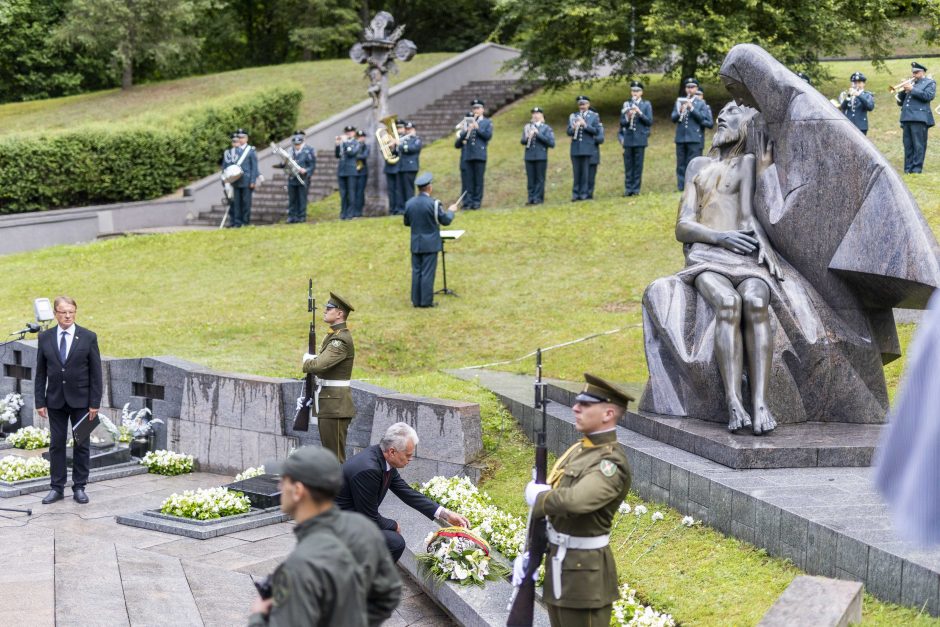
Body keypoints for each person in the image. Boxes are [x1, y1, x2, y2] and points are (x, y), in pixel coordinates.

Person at [520, 374, 632, 627]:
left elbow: (577, 501)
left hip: (585, 577)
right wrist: (531, 553)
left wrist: (541, 497)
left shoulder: (609, 462)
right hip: (559, 563)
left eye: (586, 404)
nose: (576, 408)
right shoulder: (581, 450)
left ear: (608, 414)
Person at [249, 447, 368, 626]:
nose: (280, 487)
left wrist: (258, 614)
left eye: (283, 481)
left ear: (297, 490)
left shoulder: (304, 562)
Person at [335, 422, 470, 562]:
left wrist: (446, 514)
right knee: (394, 542)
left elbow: (407, 493)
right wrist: (394, 525)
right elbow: (369, 518)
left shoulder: (381, 458)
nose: (410, 460)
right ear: (392, 451)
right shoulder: (369, 469)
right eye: (408, 455)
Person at [34, 296, 102, 505]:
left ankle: (80, 486)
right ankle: (57, 487)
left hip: (83, 402)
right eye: (63, 312)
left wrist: (95, 403)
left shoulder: (88, 337)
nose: (68, 315)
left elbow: (96, 373)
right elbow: (41, 372)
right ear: (55, 314)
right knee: (56, 444)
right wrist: (39, 401)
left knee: (82, 443)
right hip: (55, 401)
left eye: (71, 311)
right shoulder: (45, 337)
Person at [301, 293, 356, 462]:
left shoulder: (340, 340)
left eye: (329, 308)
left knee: (335, 458)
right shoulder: (333, 335)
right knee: (330, 456)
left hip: (335, 406)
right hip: (330, 403)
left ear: (339, 313)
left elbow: (318, 366)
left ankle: (339, 489)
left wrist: (307, 361)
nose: (325, 310)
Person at [402, 172, 459, 308]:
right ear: (429, 187)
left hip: (416, 242)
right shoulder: (434, 204)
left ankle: (416, 301)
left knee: (417, 272)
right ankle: (426, 302)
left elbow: (407, 222)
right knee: (427, 272)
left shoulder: (409, 203)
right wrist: (451, 211)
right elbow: (445, 220)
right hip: (430, 243)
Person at [671, 79, 714, 191]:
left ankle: (691, 185)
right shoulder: (680, 101)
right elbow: (673, 118)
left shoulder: (701, 103)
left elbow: (703, 119)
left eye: (692, 87)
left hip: (694, 138)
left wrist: (692, 108)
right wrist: (680, 110)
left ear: (696, 89)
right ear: (685, 89)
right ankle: (681, 186)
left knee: (693, 163)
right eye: (688, 87)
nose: (690, 89)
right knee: (680, 164)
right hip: (681, 138)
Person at [896, 61, 936, 174]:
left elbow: (928, 96)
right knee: (908, 145)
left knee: (919, 145)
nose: (914, 75)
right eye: (913, 72)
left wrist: (912, 89)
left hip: (919, 117)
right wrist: (903, 90)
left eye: (916, 72)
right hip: (906, 117)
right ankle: (907, 169)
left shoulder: (929, 82)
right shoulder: (911, 84)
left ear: (922, 72)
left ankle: (916, 170)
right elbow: (900, 103)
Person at [454, 99, 492, 209]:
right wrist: (467, 129)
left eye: (478, 108)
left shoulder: (487, 122)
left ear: (482, 110)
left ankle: (476, 202)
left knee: (478, 180)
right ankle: (468, 202)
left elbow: (487, 136)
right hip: (468, 154)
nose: (476, 110)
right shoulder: (467, 122)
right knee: (468, 180)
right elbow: (460, 140)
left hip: (480, 154)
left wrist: (477, 128)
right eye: (474, 108)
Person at [619, 81, 653, 196]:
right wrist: (628, 117)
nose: (635, 93)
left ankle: (636, 189)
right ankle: (628, 189)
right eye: (633, 91)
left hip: (640, 139)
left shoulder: (646, 105)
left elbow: (649, 121)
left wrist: (639, 112)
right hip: (628, 139)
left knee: (638, 165)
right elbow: (622, 123)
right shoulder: (626, 104)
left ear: (641, 92)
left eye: (637, 91)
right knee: (628, 165)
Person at [275, 130, 316, 224]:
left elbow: (312, 165)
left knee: (302, 198)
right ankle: (292, 216)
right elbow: (286, 163)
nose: (297, 146)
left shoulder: (308, 150)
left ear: (302, 142)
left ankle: (301, 216)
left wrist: (306, 171)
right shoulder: (290, 151)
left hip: (303, 178)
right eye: (295, 144)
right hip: (292, 177)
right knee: (292, 198)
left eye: (298, 144)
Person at [567, 95, 602, 201]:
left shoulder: (594, 116)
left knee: (586, 173)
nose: (582, 106)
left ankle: (584, 194)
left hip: (587, 147)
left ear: (588, 104)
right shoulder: (573, 116)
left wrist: (585, 125)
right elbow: (568, 132)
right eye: (580, 104)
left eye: (584, 104)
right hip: (575, 147)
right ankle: (575, 194)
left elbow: (596, 131)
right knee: (576, 172)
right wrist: (573, 128)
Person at [521, 106, 555, 205]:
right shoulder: (527, 127)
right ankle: (531, 198)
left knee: (540, 178)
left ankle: (538, 198)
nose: (535, 116)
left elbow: (551, 143)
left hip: (541, 155)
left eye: (538, 114)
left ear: (542, 115)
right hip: (529, 155)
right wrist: (528, 137)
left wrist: (538, 134)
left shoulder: (546, 128)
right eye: (534, 114)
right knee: (530, 178)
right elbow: (522, 141)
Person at [230, 128, 259, 227]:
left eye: (242, 137)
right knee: (237, 203)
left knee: (246, 203)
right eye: (239, 137)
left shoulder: (250, 151)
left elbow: (254, 167)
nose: (240, 139)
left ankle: (245, 222)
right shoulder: (234, 151)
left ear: (246, 138)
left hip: (247, 181)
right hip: (236, 181)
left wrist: (253, 181)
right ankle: (237, 222)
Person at [335, 125, 361, 220]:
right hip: (341, 170)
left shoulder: (356, 143)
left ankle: (351, 213)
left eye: (351, 132)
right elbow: (337, 155)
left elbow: (352, 153)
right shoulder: (343, 143)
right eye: (347, 132)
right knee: (343, 193)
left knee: (351, 192)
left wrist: (345, 142)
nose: (349, 133)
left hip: (351, 170)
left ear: (354, 133)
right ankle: (343, 213)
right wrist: (338, 145)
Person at [397, 121, 422, 209]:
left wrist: (399, 145)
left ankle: (410, 207)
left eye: (410, 129)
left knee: (409, 189)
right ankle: (402, 208)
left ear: (414, 130)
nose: (408, 131)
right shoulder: (403, 139)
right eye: (407, 129)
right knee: (401, 189)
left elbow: (413, 149)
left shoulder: (416, 139)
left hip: (411, 167)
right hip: (402, 167)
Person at [384, 120, 405, 215]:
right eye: (397, 128)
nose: (398, 130)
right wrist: (390, 147)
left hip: (399, 167)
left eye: (400, 128)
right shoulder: (389, 139)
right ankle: (392, 209)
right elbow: (384, 153)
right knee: (391, 190)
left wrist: (397, 145)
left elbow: (402, 152)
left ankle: (399, 208)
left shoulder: (404, 139)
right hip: (389, 167)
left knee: (399, 189)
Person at [587, 115, 604, 199]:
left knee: (591, 176)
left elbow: (600, 138)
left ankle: (589, 194)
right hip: (582, 153)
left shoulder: (599, 127)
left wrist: (589, 139)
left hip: (593, 153)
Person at [354, 129, 370, 218]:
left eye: (362, 137)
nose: (361, 139)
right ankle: (353, 210)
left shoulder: (366, 146)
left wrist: (354, 155)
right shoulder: (355, 145)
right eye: (359, 137)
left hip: (362, 171)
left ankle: (359, 211)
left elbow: (364, 156)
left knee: (360, 192)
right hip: (353, 171)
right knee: (353, 192)